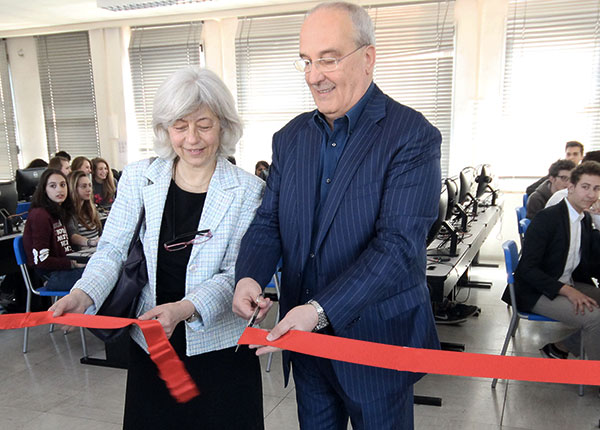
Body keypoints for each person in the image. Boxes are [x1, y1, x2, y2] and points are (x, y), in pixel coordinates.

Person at [232, 3, 441, 429]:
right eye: (306, 61)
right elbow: (269, 221)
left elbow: (398, 248)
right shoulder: (289, 139)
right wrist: (249, 276)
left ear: (368, 57)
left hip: (376, 343)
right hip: (306, 348)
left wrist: (316, 310)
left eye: (328, 59)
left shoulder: (412, 135)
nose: (314, 75)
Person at [50, 67, 265, 429]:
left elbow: (235, 273)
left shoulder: (247, 190)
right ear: (166, 130)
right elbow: (112, 250)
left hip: (219, 351)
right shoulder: (140, 177)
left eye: (204, 124)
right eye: (180, 126)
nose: (192, 138)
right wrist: (83, 295)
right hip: (153, 346)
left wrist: (184, 309)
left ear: (224, 126)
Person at [503, 161, 600, 361]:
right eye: (585, 187)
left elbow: (591, 263)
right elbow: (527, 270)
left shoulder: (585, 219)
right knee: (595, 319)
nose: (591, 194)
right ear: (570, 188)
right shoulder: (548, 218)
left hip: (565, 281)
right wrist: (568, 291)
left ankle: (559, 348)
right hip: (537, 290)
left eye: (597, 188)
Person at [23, 168, 85, 291]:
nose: (59, 189)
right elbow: (42, 261)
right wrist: (72, 264)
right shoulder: (40, 215)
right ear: (44, 190)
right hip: (52, 276)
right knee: (102, 277)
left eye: (63, 185)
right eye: (53, 186)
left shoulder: (58, 212)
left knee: (105, 270)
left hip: (64, 269)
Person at [67, 170, 102, 250]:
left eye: (90, 185)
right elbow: (72, 236)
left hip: (97, 251)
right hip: (83, 254)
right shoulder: (68, 211)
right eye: (84, 186)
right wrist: (91, 242)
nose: (88, 189)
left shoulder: (91, 209)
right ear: (73, 188)